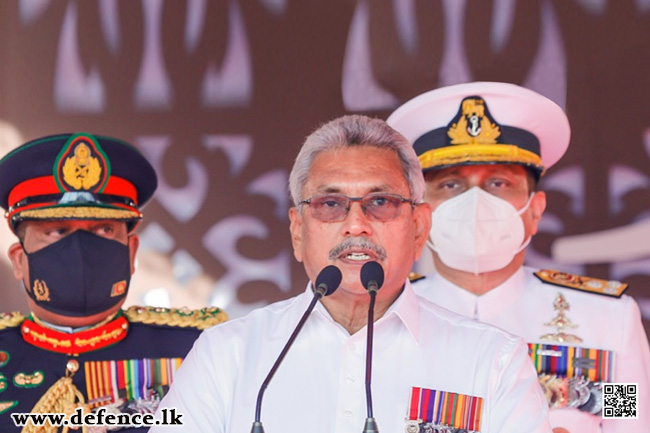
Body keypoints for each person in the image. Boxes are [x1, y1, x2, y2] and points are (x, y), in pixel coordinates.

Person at [151, 115, 551, 433]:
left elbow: (616, 410)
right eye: (330, 203)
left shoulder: (494, 359)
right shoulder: (228, 353)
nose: (356, 224)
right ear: (297, 230)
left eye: (381, 201)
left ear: (418, 229)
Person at [387, 81, 650, 433]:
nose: (476, 202)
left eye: (498, 183)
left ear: (536, 211)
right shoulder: (382, 319)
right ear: (419, 215)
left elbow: (630, 426)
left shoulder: (605, 321)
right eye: (451, 185)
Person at [0, 133, 227, 433]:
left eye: (104, 229)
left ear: (132, 252)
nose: (80, 248)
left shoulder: (198, 349)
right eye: (57, 231)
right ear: (18, 259)